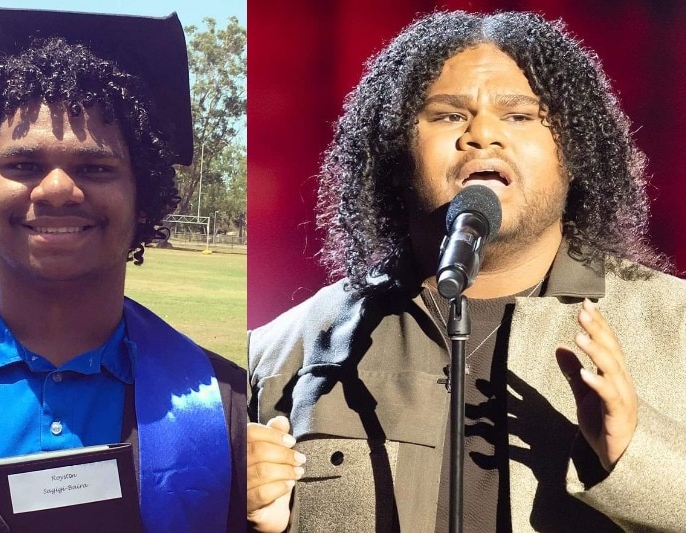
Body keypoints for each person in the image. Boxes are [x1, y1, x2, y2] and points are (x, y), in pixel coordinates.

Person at [247, 10, 686, 533]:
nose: (482, 135)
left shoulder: (674, 327)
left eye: (520, 116)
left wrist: (635, 453)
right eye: (449, 116)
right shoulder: (282, 348)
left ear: (575, 155)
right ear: (394, 154)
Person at [0, 5, 245, 532]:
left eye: (96, 167)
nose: (56, 189)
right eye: (23, 165)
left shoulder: (228, 413)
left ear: (142, 196)